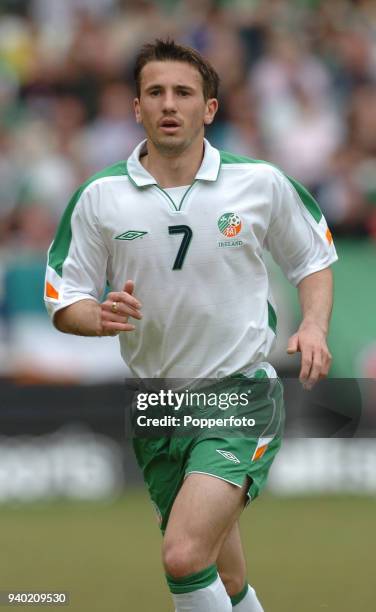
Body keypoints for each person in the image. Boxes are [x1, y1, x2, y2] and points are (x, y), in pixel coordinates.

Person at [44, 39, 337, 612]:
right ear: (136, 108)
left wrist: (316, 326)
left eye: (184, 92)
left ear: (210, 109)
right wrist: (96, 318)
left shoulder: (259, 183)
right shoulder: (99, 197)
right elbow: (64, 298)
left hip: (239, 392)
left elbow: (314, 258)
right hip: (157, 406)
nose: (168, 104)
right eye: (155, 92)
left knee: (183, 555)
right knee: (224, 581)